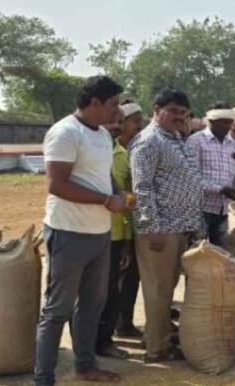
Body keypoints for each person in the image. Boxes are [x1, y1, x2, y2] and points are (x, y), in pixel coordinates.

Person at [35, 76, 128, 385]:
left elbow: (103, 175)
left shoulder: (101, 135)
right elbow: (56, 184)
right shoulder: (65, 132)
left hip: (99, 233)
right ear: (95, 102)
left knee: (91, 306)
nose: (118, 111)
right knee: (57, 310)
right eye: (113, 104)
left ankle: (85, 366)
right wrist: (106, 200)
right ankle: (43, 378)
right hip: (68, 232)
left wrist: (118, 194)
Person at [131, 89, 204, 363]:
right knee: (158, 291)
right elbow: (142, 188)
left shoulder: (176, 138)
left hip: (180, 226)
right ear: (156, 110)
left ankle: (157, 335)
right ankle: (157, 349)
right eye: (173, 111)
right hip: (160, 230)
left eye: (184, 113)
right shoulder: (148, 141)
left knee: (166, 289)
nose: (179, 117)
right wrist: (153, 228)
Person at [95, 101, 144, 359]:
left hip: (119, 232)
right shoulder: (100, 152)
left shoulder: (124, 154)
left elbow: (127, 197)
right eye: (135, 121)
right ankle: (94, 341)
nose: (139, 127)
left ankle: (107, 337)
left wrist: (126, 238)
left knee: (114, 289)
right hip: (97, 230)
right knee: (98, 291)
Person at [187, 103, 235, 247]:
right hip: (201, 210)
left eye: (230, 122)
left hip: (225, 211)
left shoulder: (232, 144)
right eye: (224, 122)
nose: (228, 126)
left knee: (222, 254)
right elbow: (191, 178)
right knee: (198, 251)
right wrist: (220, 189)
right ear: (212, 121)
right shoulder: (196, 141)